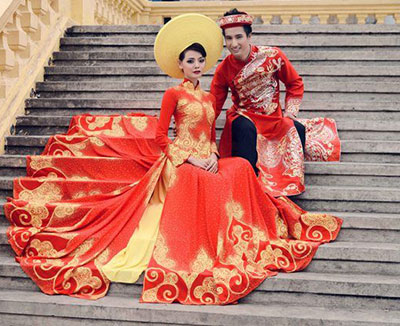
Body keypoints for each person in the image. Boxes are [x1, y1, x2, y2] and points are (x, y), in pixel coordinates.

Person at [4, 14, 341, 305]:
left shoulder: (210, 96)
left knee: (237, 167)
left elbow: (211, 131)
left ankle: (243, 228)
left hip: (210, 152)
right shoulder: (173, 93)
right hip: (178, 161)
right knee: (200, 178)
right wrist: (192, 160)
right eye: (190, 61)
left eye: (199, 61)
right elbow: (160, 137)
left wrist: (210, 153)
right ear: (180, 65)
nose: (195, 65)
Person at [211, 9, 341, 197]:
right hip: (244, 117)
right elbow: (213, 106)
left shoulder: (273, 56)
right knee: (245, 132)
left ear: (250, 35)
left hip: (273, 118)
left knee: (297, 129)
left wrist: (291, 112)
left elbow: (295, 83)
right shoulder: (223, 69)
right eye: (229, 38)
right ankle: (251, 186)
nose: (234, 44)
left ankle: (288, 184)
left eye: (239, 37)